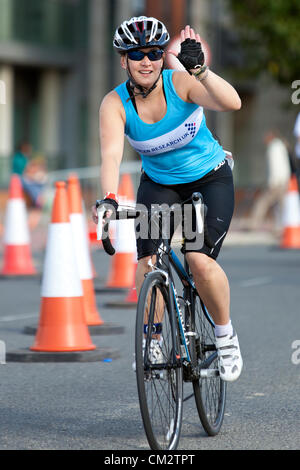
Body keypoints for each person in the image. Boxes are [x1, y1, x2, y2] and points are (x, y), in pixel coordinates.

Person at [92, 16, 243, 382]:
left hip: (210, 179)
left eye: (155, 53)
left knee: (199, 260)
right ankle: (154, 340)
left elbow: (233, 102)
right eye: (137, 54)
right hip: (160, 185)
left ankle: (225, 338)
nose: (147, 61)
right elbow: (111, 155)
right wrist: (109, 200)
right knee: (150, 263)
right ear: (123, 60)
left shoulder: (180, 83)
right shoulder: (115, 103)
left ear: (163, 56)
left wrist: (201, 71)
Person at [247, 130, 291, 233]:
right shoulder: (281, 146)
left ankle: (254, 224)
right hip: (283, 180)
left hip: (276, 181)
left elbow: (274, 165)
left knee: (262, 202)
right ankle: (280, 226)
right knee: (280, 205)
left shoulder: (273, 148)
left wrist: (272, 181)